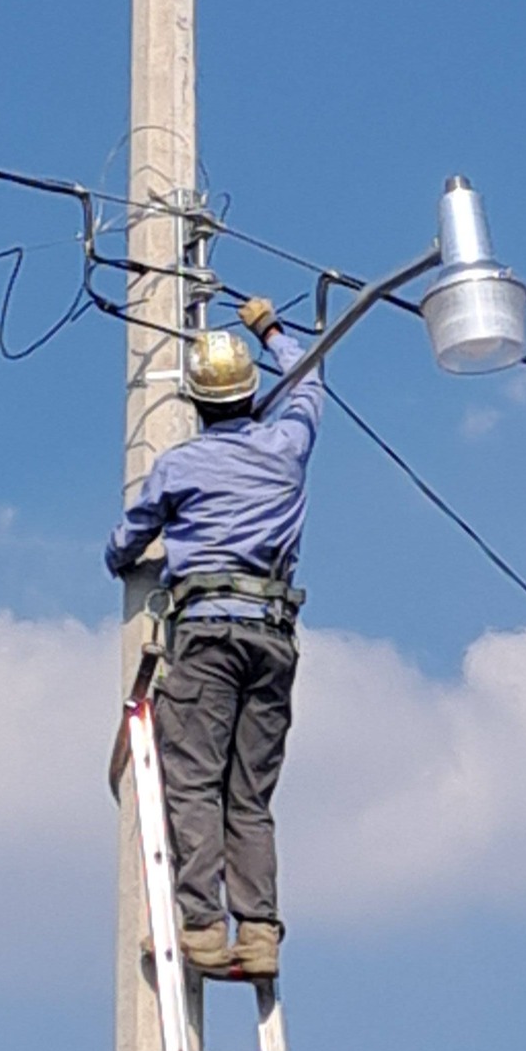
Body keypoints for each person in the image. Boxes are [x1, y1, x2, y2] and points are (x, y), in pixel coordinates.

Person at [105, 297, 322, 979]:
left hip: (206, 637)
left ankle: (201, 928)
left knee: (194, 782)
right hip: (273, 640)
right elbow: (310, 385)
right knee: (249, 795)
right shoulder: (288, 447)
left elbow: (124, 542)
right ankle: (258, 933)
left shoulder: (178, 466)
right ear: (253, 396)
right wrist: (271, 329)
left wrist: (128, 558)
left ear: (197, 403)